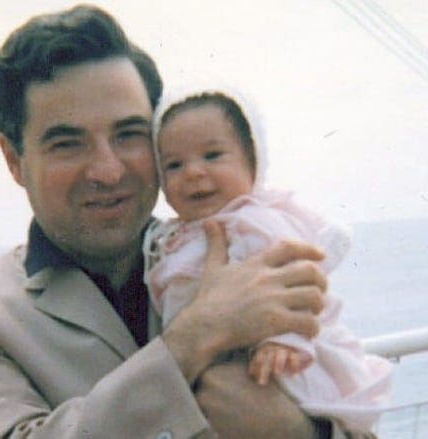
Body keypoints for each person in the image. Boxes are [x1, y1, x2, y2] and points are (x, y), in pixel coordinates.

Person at [0, 4, 373, 439]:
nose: (108, 170)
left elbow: (343, 393)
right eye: (67, 144)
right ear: (14, 160)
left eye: (129, 134)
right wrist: (194, 337)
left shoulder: (244, 251)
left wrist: (305, 433)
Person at [144, 87, 392, 433]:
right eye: (174, 164)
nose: (193, 172)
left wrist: (283, 340)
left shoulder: (257, 222)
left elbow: (299, 284)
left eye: (213, 155)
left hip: (274, 360)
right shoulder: (172, 238)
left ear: (253, 159)